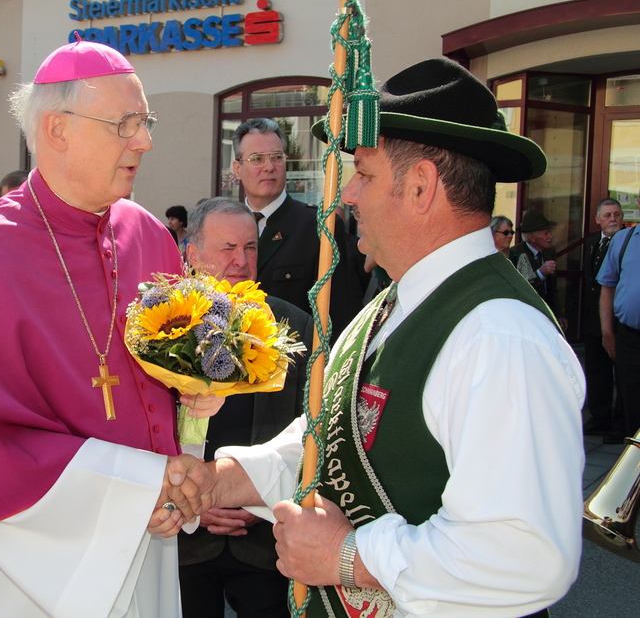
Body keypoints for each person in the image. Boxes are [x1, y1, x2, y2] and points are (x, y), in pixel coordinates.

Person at [160, 58, 586, 618]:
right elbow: (330, 439)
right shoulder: (391, 305)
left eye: (363, 173)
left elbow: (524, 556)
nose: (348, 195)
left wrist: (349, 556)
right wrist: (222, 481)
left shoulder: (500, 336)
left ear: (420, 186)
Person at [0, 40, 206, 617]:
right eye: (126, 124)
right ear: (57, 129)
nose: (144, 141)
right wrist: (140, 486)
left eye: (145, 122)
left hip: (146, 534)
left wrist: (183, 465)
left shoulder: (148, 235)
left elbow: (175, 389)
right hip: (21, 559)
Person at [180, 197, 311, 618]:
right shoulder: (163, 328)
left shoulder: (294, 326)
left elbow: (311, 427)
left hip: (266, 544)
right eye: (228, 248)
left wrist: (258, 498)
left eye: (250, 247)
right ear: (193, 255)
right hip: (183, 541)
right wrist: (193, 503)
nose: (241, 260)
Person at [231, 118, 360, 340]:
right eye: (257, 159)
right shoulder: (224, 225)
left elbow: (339, 314)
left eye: (276, 157)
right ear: (237, 169)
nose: (269, 167)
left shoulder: (319, 227)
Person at [582, 198, 623, 437]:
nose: (613, 219)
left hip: (618, 320)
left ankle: (621, 423)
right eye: (607, 215)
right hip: (593, 319)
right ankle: (600, 417)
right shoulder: (591, 242)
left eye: (617, 214)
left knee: (622, 372)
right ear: (598, 219)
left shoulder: (627, 242)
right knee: (597, 370)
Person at [597, 212, 638, 445]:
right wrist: (607, 332)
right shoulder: (623, 240)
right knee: (632, 404)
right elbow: (607, 288)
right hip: (630, 338)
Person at [509, 210, 566, 329]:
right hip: (527, 316)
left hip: (547, 315)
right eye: (545, 233)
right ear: (532, 237)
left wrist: (559, 314)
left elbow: (552, 288)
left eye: (549, 232)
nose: (550, 237)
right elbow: (520, 288)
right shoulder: (516, 254)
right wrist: (540, 273)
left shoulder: (549, 251)